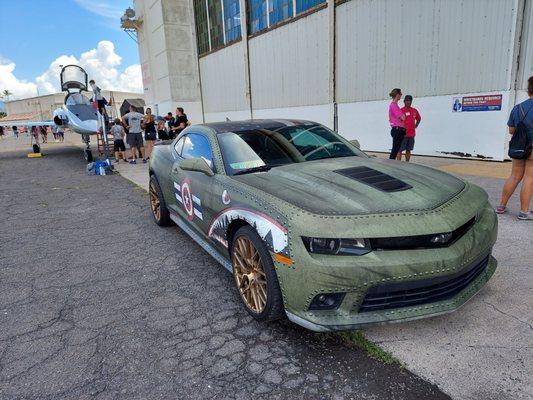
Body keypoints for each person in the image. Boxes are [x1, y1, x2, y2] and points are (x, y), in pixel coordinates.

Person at [496, 76, 533, 220]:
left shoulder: (517, 108)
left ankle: (501, 206)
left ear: (528, 90)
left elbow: (511, 130)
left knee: (515, 176)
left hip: (518, 147)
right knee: (529, 178)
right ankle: (524, 211)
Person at [397, 95, 421, 162]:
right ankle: (398, 164)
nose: (409, 102)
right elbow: (397, 121)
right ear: (404, 101)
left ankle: (407, 163)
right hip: (403, 134)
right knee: (399, 150)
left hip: (411, 134)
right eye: (407, 100)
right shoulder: (401, 110)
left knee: (408, 150)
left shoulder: (414, 110)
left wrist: (416, 126)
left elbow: (419, 119)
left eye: (410, 100)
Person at [388, 88, 406, 159]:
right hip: (397, 129)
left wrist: (402, 116)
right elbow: (403, 118)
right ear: (397, 95)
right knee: (395, 150)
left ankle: (391, 163)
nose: (401, 95)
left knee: (396, 149)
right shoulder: (394, 105)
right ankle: (390, 164)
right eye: (400, 94)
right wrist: (403, 116)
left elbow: (402, 117)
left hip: (399, 129)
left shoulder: (395, 105)